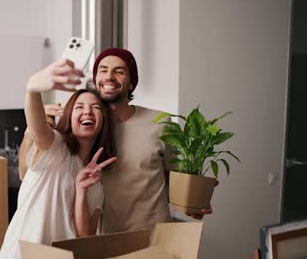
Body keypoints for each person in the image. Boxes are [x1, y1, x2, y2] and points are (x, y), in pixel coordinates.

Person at [19, 48, 211, 235]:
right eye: (103, 70)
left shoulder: (159, 122)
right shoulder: (88, 127)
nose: (109, 76)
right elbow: (27, 173)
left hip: (154, 235)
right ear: (96, 81)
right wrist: (32, 130)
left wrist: (190, 201)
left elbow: (173, 173)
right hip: (107, 238)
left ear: (130, 83)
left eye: (119, 71)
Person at [0, 59, 117, 258]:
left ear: (103, 122)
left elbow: (85, 237)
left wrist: (81, 191)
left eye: (95, 108)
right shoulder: (56, 146)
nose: (87, 111)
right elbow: (37, 127)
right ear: (68, 116)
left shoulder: (96, 184)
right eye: (79, 107)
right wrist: (33, 88)